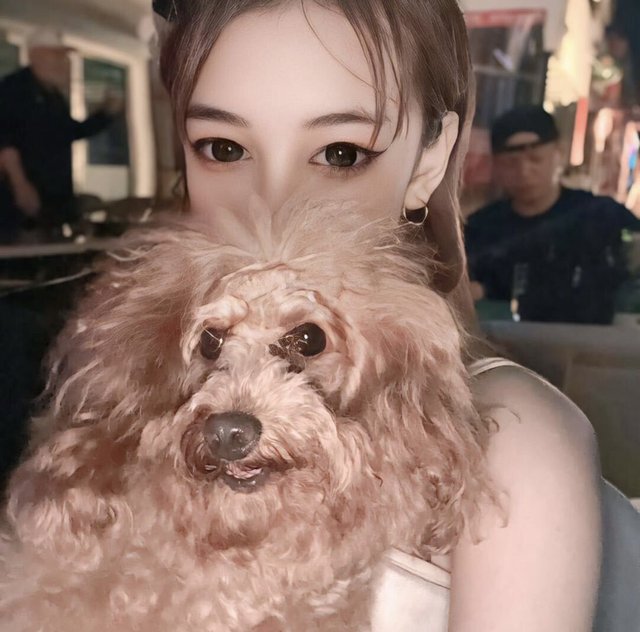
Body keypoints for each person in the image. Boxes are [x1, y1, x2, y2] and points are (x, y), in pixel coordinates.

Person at [153, 2, 638, 630]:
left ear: (430, 161)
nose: (272, 206)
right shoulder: (148, 392)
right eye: (223, 148)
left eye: (341, 153)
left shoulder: (512, 444)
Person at [465, 105, 640, 323]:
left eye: (536, 159)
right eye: (511, 163)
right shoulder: (479, 228)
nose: (524, 172)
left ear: (559, 153)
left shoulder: (602, 216)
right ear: (497, 166)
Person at [0, 28, 122, 240]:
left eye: (63, 56)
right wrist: (20, 185)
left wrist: (106, 114)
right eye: (55, 55)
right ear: (34, 56)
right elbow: (4, 140)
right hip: (22, 205)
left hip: (52, 202)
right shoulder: (12, 89)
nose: (63, 62)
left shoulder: (54, 97)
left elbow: (69, 132)